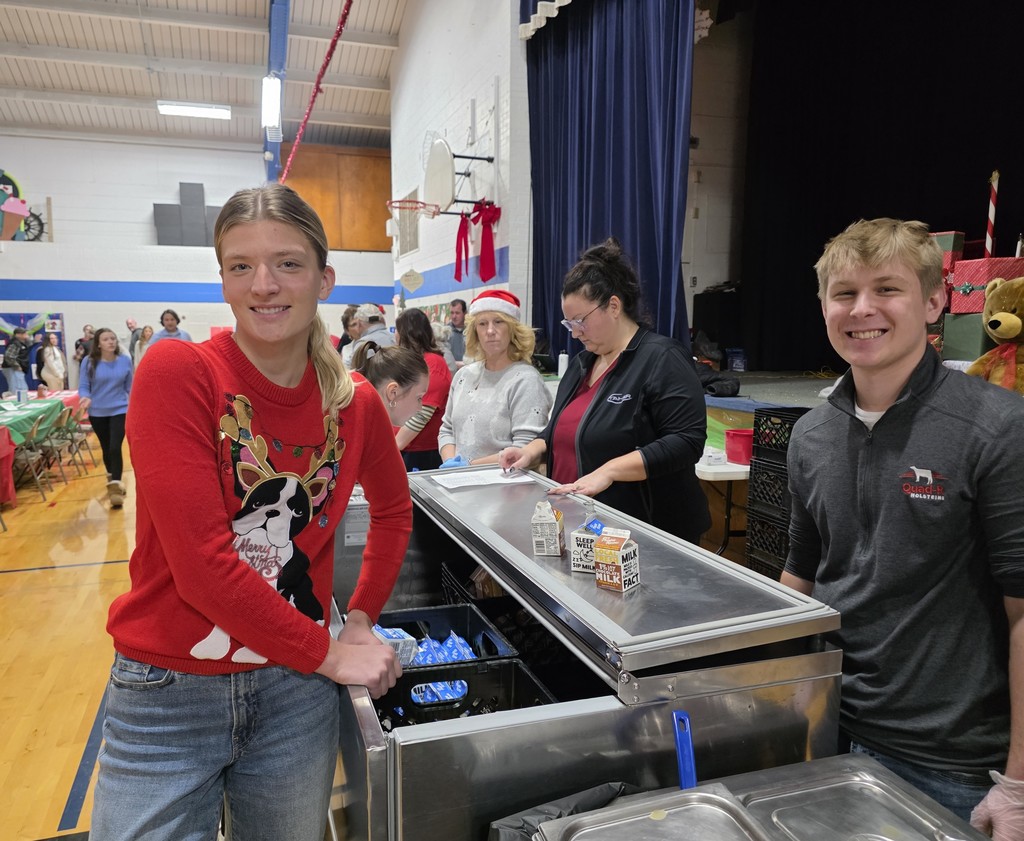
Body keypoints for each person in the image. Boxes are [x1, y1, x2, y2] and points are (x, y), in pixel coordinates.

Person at [89, 184, 412, 841]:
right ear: (223, 280)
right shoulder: (180, 371)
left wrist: (360, 618)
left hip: (295, 694)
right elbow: (204, 570)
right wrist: (331, 651)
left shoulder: (356, 406)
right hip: (170, 691)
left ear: (325, 278)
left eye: (287, 263)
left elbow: (393, 510)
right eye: (241, 266)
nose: (263, 284)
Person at [779, 218, 1024, 833]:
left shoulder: (997, 428)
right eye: (844, 293)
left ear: (935, 301)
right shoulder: (811, 435)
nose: (863, 310)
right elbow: (800, 577)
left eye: (887, 289)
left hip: (952, 763)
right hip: (829, 728)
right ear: (823, 306)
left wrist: (1017, 784)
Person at [500, 239, 710, 543]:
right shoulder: (582, 364)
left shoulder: (661, 358)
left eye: (580, 321)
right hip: (587, 525)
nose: (574, 332)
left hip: (647, 530)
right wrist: (531, 450)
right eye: (568, 322)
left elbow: (686, 442)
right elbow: (560, 428)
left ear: (613, 306)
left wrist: (610, 470)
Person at [438, 289, 551, 466]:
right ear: (475, 331)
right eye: (482, 324)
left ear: (512, 329)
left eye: (498, 322)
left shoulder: (526, 380)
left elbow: (524, 448)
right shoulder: (463, 376)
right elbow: (447, 429)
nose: (490, 331)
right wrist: (452, 464)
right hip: (460, 484)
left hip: (505, 486)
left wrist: (468, 466)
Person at [78, 327, 133, 508]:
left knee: (115, 447)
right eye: (106, 339)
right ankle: (112, 477)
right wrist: (85, 397)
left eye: (113, 338)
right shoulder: (89, 361)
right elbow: (84, 385)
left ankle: (115, 485)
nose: (111, 342)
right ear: (98, 344)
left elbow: (130, 387)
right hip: (98, 412)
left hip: (120, 410)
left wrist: (136, 405)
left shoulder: (125, 361)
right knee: (106, 447)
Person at [394, 307, 453, 471]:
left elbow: (422, 414)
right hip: (404, 446)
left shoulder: (434, 364)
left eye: (398, 330)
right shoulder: (413, 361)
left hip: (421, 453)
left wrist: (394, 446)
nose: (395, 336)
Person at [351, 343, 430, 428]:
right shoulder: (365, 433)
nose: (420, 408)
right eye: (419, 398)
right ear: (393, 392)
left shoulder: (363, 425)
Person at [2, 327, 31, 392]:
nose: (26, 334)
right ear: (17, 335)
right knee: (17, 389)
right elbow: (9, 356)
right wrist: (17, 366)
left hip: (16, 368)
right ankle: (15, 401)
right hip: (12, 368)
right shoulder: (14, 343)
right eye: (24, 333)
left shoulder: (22, 343)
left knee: (21, 388)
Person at [447, 298, 467, 366]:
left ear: (465, 313)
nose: (454, 316)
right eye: (452, 313)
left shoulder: (472, 331)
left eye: (457, 313)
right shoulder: (446, 332)